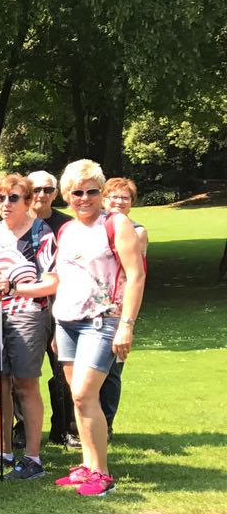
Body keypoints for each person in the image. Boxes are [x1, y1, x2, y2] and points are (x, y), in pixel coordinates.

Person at [52, 161, 146, 496]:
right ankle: (87, 466)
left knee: (84, 394)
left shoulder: (116, 223)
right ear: (67, 195)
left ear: (101, 193)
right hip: (66, 322)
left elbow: (136, 276)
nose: (85, 197)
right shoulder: (66, 230)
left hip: (102, 321)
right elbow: (62, 279)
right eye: (77, 192)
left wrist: (126, 325)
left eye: (92, 191)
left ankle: (101, 474)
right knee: (78, 400)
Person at [0, 175, 58, 480]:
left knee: (25, 384)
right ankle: (3, 452)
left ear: (30, 200)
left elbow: (51, 282)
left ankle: (32, 459)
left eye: (14, 198)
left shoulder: (40, 233)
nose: (5, 204)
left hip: (28, 314)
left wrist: (17, 288)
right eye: (0, 198)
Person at [27, 169, 77, 447]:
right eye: (35, 190)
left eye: (47, 190)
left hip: (61, 307)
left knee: (62, 370)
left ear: (55, 193)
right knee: (21, 373)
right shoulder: (14, 224)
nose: (41, 195)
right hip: (24, 309)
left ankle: (64, 427)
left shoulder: (67, 226)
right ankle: (23, 427)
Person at [99, 178, 148, 434]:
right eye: (113, 196)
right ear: (103, 199)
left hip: (117, 309)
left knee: (112, 371)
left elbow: (132, 275)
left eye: (124, 198)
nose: (118, 202)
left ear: (132, 203)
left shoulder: (137, 231)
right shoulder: (95, 228)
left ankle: (105, 423)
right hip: (91, 309)